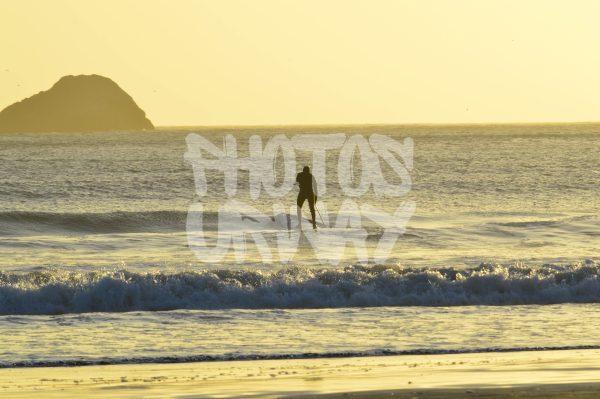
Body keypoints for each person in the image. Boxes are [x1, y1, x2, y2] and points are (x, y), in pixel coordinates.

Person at [296, 166, 318, 230]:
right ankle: (314, 224)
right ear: (308, 171)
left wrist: (299, 184)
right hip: (310, 193)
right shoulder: (311, 176)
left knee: (298, 208)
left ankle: (299, 224)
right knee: (312, 209)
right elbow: (315, 186)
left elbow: (297, 182)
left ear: (303, 170)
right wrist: (315, 197)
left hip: (302, 193)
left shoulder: (299, 175)